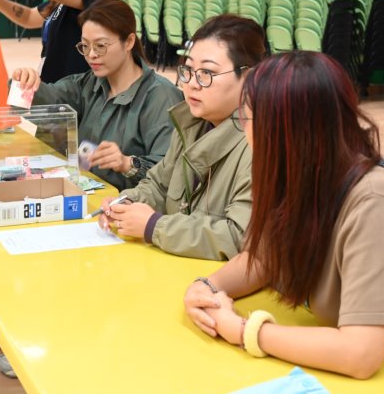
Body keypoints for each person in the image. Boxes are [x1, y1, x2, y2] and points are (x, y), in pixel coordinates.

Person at [184, 51, 384, 394]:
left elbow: (361, 354)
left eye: (247, 117)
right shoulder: (298, 174)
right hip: (343, 382)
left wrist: (243, 330)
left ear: (285, 131)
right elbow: (264, 260)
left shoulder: (375, 203)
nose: (244, 129)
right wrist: (207, 288)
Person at [100, 14, 265, 260]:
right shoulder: (191, 123)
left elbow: (238, 236)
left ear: (249, 78)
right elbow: (159, 185)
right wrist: (126, 203)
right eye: (188, 70)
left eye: (207, 73)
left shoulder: (259, 143)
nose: (192, 84)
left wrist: (154, 226)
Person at [10, 0, 182, 191]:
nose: (91, 54)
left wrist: (127, 164)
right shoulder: (87, 84)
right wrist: (24, 83)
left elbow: (171, 173)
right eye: (85, 46)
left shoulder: (161, 98)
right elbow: (50, 101)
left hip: (127, 205)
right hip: (86, 195)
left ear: (129, 42)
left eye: (100, 46)